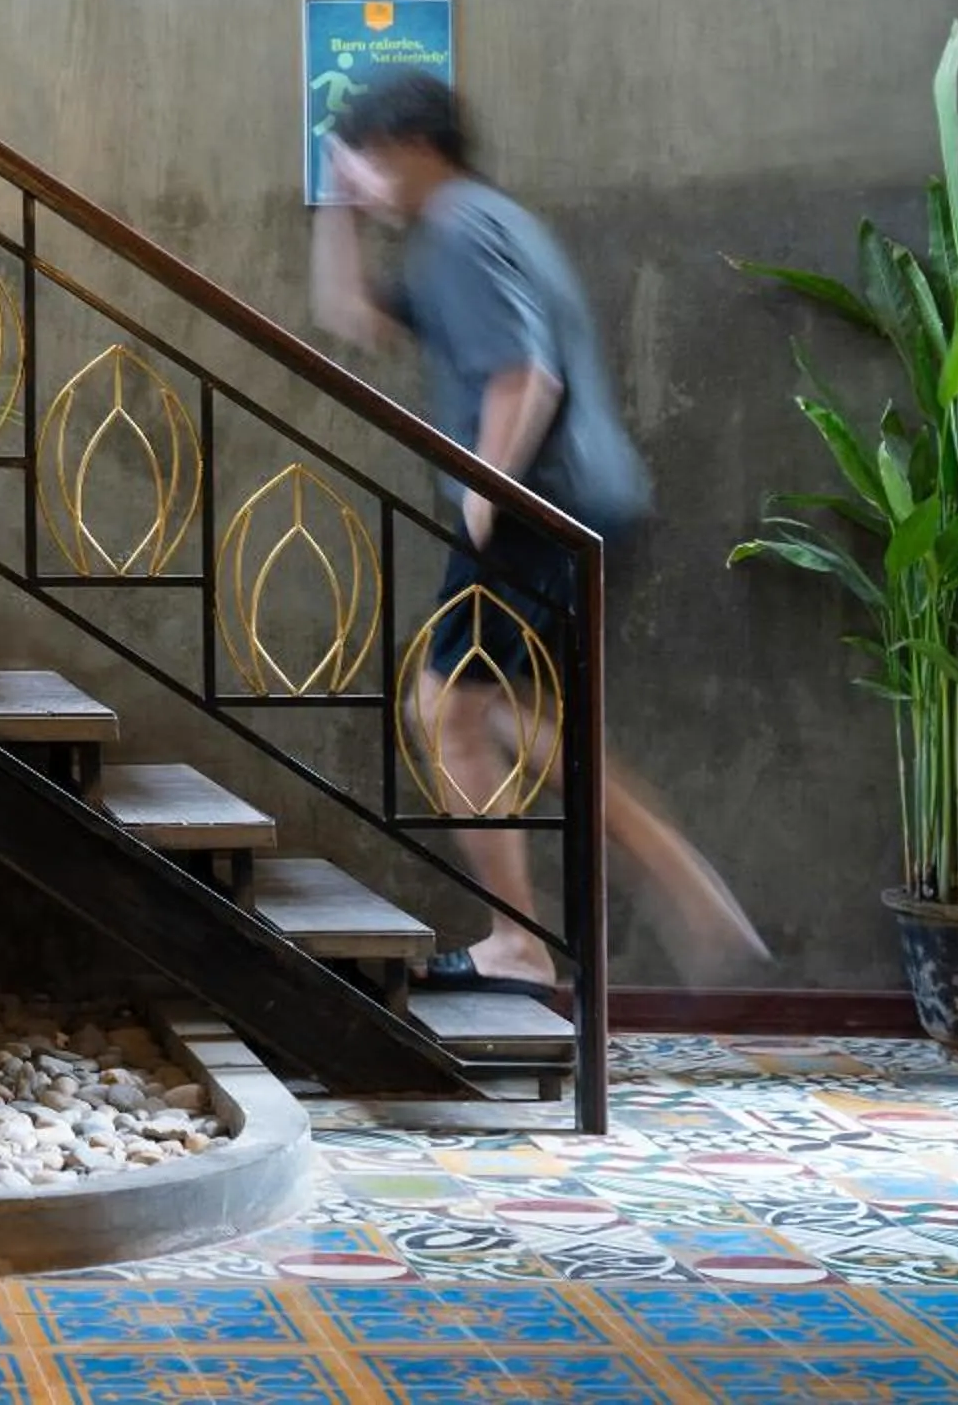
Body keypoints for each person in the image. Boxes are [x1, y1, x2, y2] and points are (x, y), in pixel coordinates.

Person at [308, 71, 767, 994]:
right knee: (490, 713)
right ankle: (677, 883)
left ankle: (524, 940)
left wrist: (484, 493)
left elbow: (528, 375)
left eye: (368, 157)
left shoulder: (459, 232)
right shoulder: (472, 227)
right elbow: (349, 316)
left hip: (535, 508)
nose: (365, 175)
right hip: (569, 506)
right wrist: (336, 205)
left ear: (412, 146)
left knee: (446, 710)